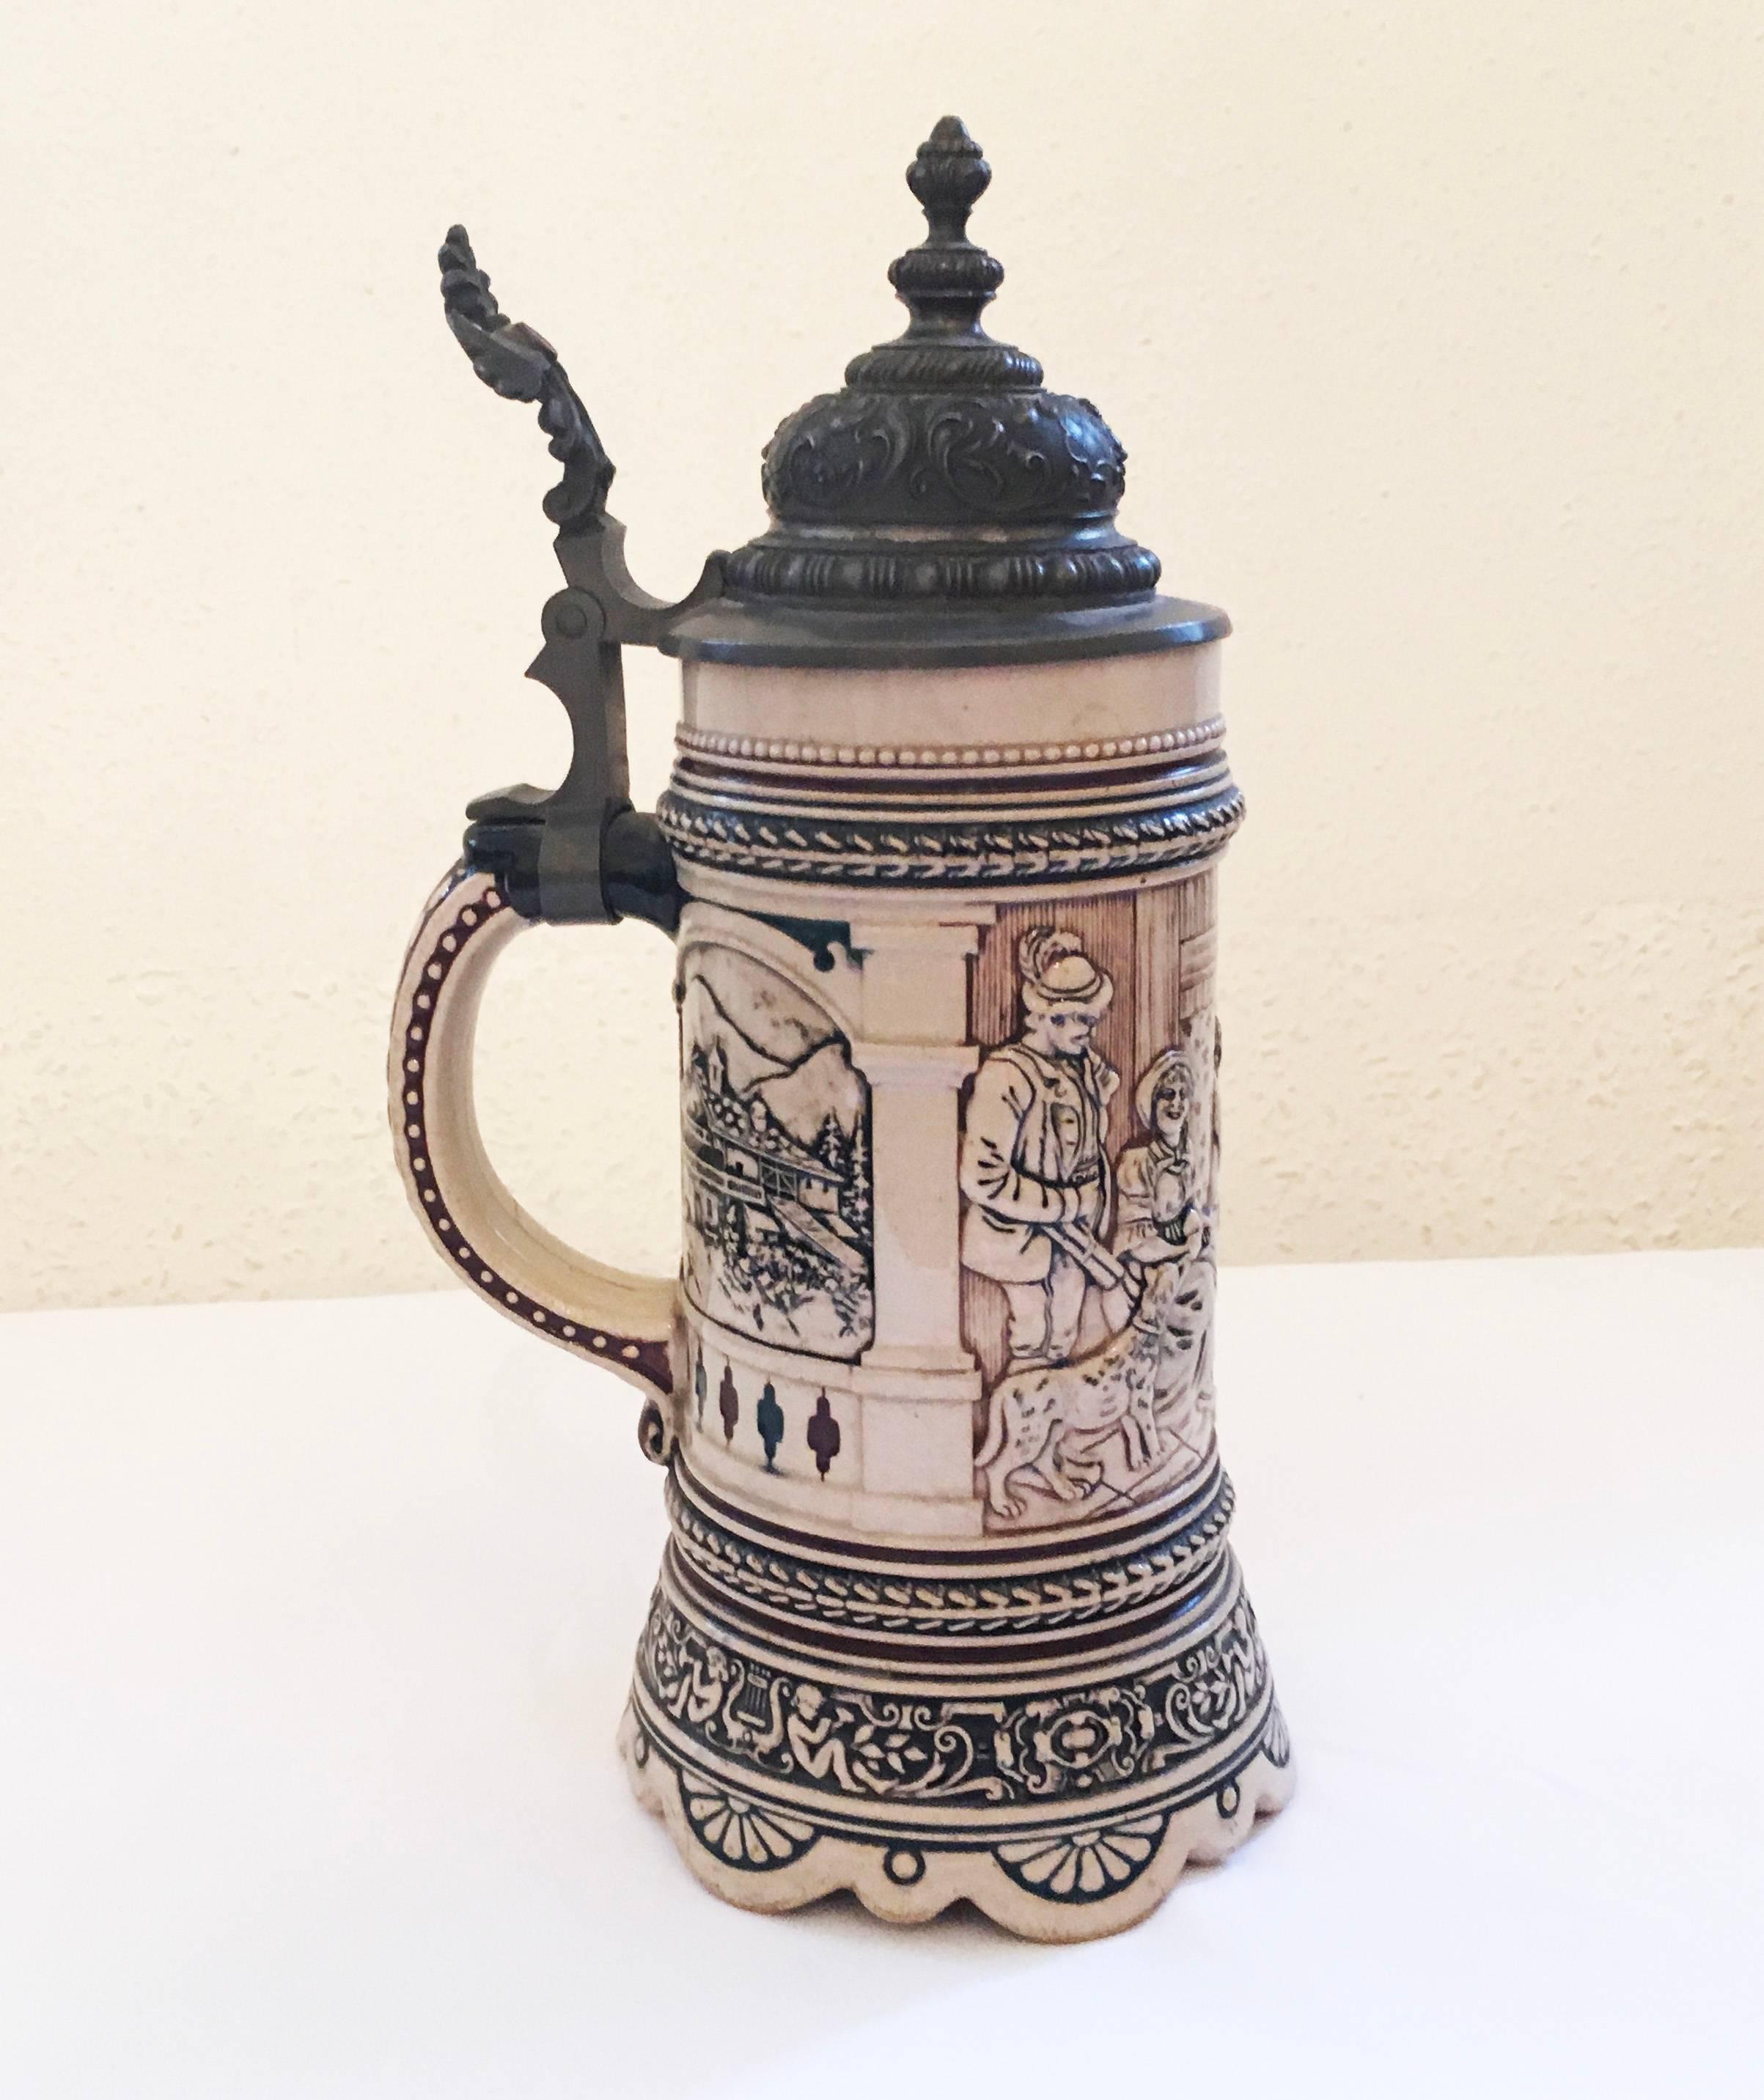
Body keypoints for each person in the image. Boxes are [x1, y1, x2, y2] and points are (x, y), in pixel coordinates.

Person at [960, 928, 1120, 1371]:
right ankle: (1023, 1429)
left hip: (1076, 1236)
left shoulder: (1080, 1067)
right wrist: (1065, 1204)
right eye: (1084, 1020)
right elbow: (982, 1176)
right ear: (1052, 1016)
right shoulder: (1007, 1076)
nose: (1092, 1030)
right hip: (1017, 1237)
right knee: (1032, 1335)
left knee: (1064, 1337)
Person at [1112, 1045, 1202, 1268]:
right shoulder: (1136, 1162)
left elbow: (1191, 1212)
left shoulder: (1189, 1153)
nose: (1176, 1103)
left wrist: (1194, 1229)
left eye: (1183, 1095)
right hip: (1145, 1266)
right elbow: (1134, 1242)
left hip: (1182, 1263)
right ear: (1152, 1104)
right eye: (1168, 1094)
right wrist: (1183, 1250)